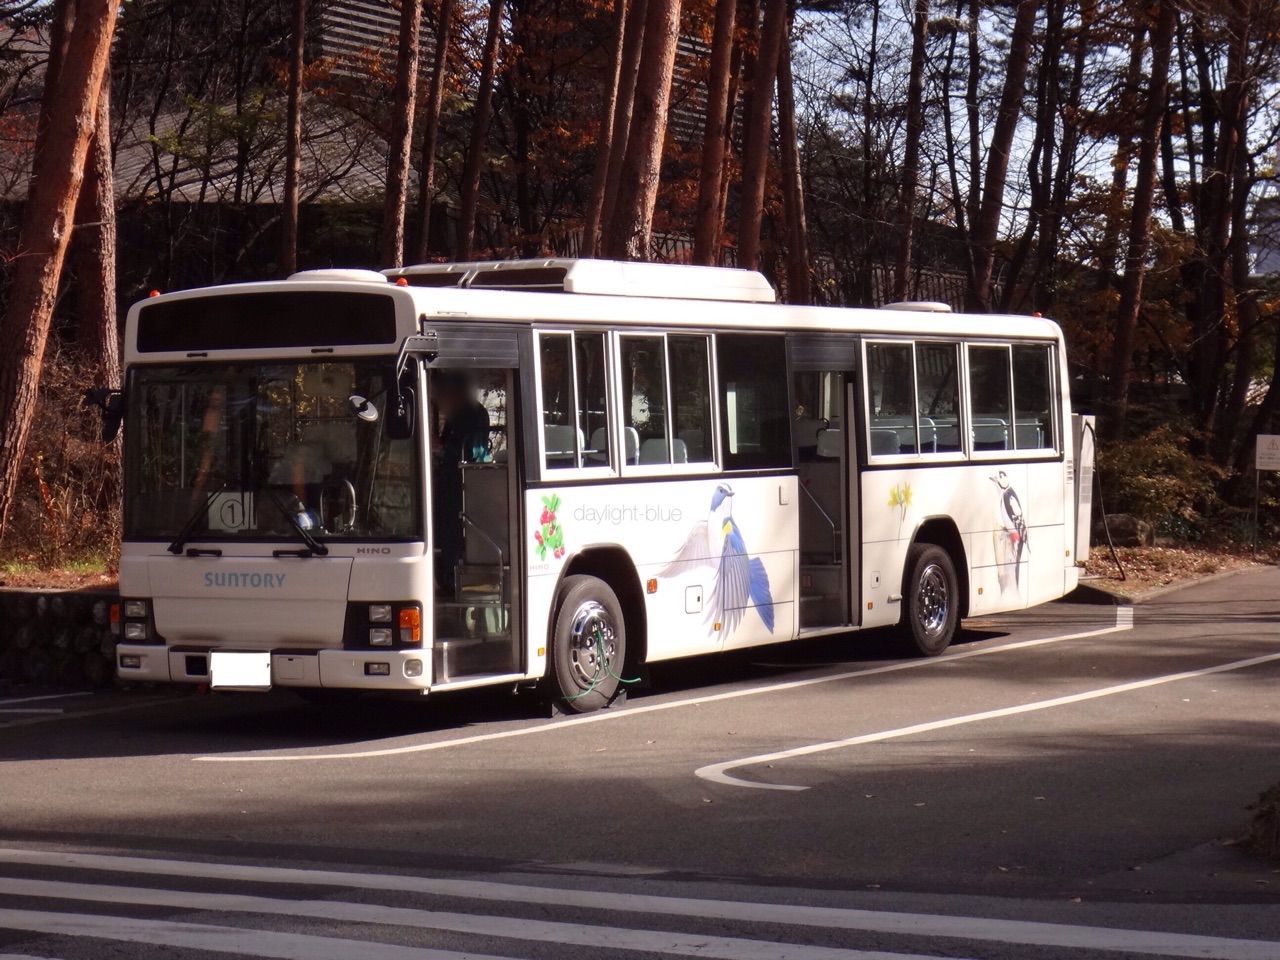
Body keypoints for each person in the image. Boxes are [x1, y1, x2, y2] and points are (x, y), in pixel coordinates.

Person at [432, 372, 490, 591]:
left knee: (454, 529)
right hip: (450, 479)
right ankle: (447, 573)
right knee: (446, 528)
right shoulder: (457, 415)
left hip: (465, 482)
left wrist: (441, 449)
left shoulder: (474, 413)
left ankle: (452, 576)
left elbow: (471, 451)